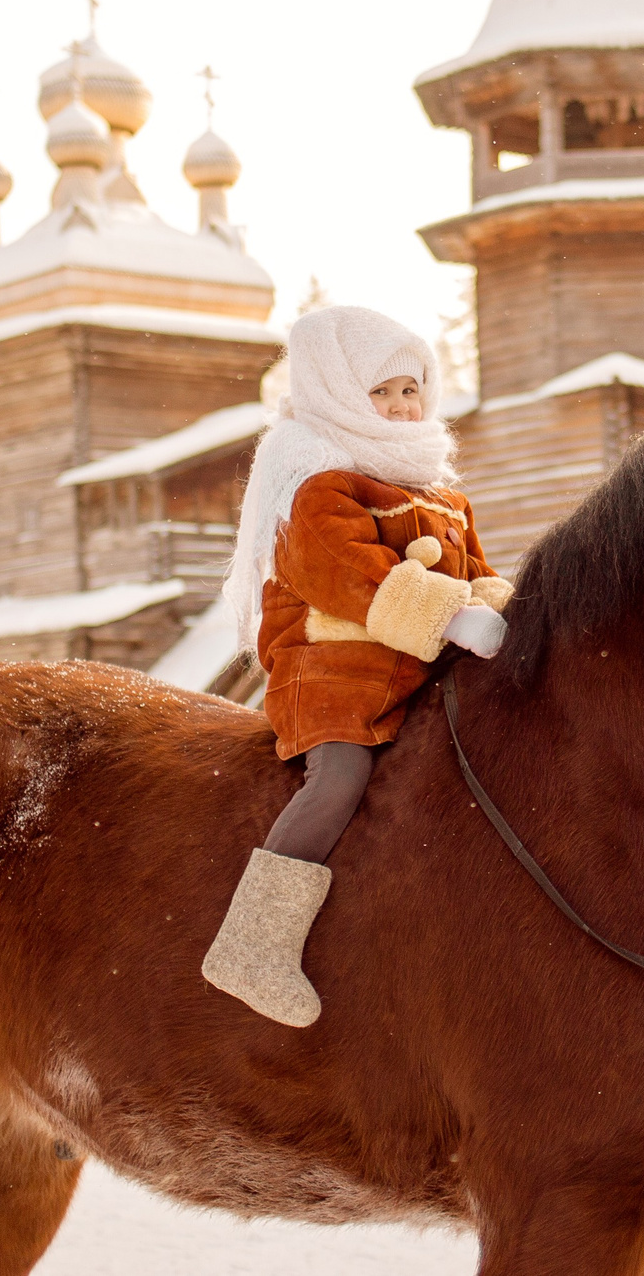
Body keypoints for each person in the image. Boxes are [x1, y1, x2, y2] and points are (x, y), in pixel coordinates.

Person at [201, 306, 510, 1026]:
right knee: (340, 778)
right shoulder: (319, 483)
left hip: (419, 673)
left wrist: (511, 611)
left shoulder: (443, 496)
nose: (401, 407)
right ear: (338, 392)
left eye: (411, 390)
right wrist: (451, 616)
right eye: (381, 392)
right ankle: (255, 941)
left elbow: (480, 575)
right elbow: (343, 570)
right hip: (333, 674)